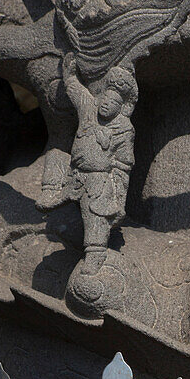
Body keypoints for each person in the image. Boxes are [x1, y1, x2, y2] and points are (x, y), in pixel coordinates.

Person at [58, 54, 137, 267]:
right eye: (105, 98)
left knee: (96, 214)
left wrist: (118, 196)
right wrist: (70, 77)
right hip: (74, 174)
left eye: (113, 102)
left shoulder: (123, 129)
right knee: (55, 157)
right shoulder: (89, 110)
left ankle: (96, 251)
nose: (106, 104)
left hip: (99, 179)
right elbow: (78, 93)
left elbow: (124, 163)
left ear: (120, 107)